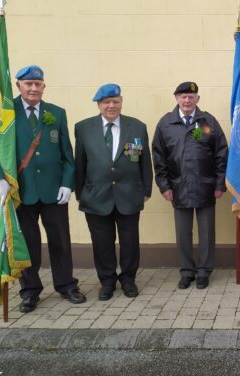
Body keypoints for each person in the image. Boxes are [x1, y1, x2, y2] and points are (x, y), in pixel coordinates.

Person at [0, 65, 85, 313]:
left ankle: (66, 285)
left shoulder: (56, 113)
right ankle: (30, 291)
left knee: (60, 241)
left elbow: (66, 154)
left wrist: (66, 184)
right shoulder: (5, 113)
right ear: (18, 86)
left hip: (53, 191)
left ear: (43, 87)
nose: (33, 88)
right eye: (28, 84)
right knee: (27, 244)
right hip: (20, 191)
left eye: (38, 84)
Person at [74, 83, 153, 300]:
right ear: (98, 105)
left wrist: (146, 189)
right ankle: (107, 281)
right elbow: (79, 162)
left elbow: (144, 161)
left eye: (115, 101)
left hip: (129, 194)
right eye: (106, 102)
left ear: (121, 102)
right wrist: (80, 192)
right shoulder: (83, 127)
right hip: (96, 196)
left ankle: (128, 279)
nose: (111, 106)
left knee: (130, 241)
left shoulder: (136, 126)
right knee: (102, 242)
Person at [152, 82, 228, 290]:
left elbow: (222, 153)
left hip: (206, 186)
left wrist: (220, 183)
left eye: (191, 97)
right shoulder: (165, 123)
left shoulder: (208, 121)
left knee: (206, 232)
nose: (187, 100)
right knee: (183, 233)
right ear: (176, 98)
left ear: (198, 99)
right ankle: (187, 272)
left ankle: (204, 271)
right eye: (183, 96)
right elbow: (159, 158)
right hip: (178, 187)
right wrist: (164, 186)